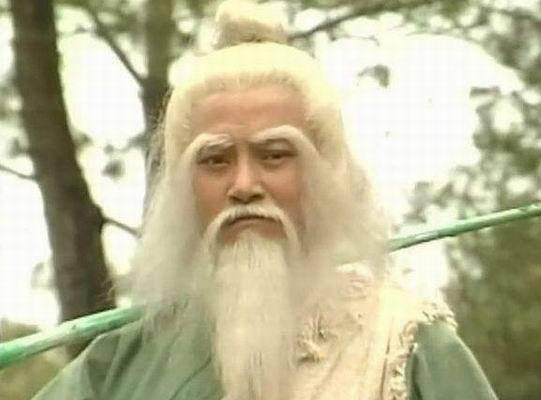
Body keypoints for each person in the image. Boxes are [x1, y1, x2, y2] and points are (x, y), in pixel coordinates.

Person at [33, 1, 498, 399]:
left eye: (274, 155)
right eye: (215, 160)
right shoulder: (118, 365)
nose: (244, 185)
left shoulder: (407, 347)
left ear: (326, 172)